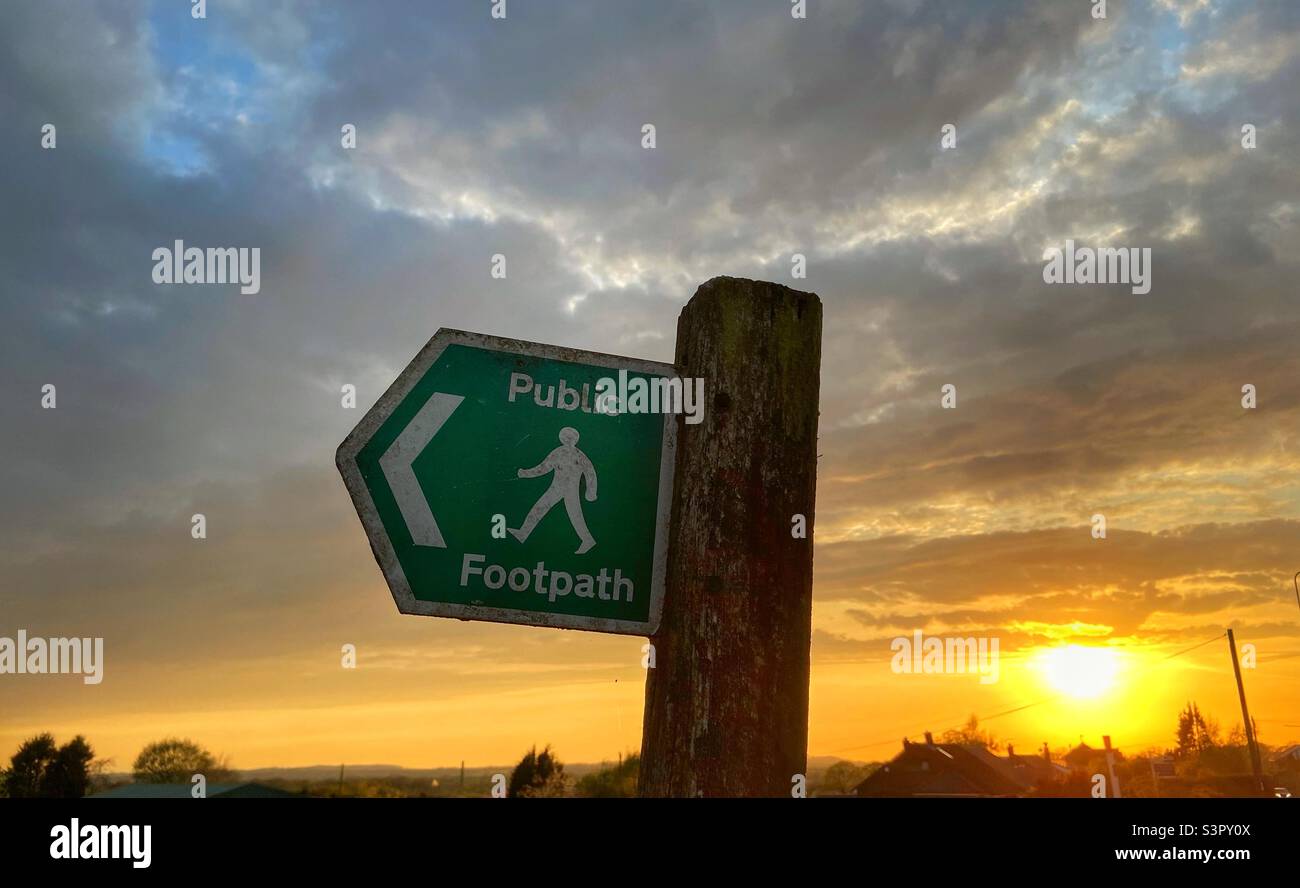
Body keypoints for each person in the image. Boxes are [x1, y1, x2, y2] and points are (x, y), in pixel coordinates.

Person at [509, 427, 598, 554]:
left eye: (570, 437)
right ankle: (523, 533)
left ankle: (588, 540)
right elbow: (543, 468)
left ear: (575, 439)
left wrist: (591, 492)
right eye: (566, 437)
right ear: (561, 438)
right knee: (539, 508)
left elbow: (590, 473)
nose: (568, 440)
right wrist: (525, 473)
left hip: (570, 491)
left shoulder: (579, 455)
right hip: (556, 488)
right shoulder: (558, 452)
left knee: (576, 516)